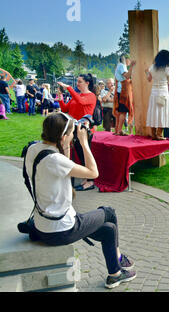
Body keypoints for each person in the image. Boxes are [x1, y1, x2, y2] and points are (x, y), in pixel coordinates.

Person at [23, 113, 136, 289]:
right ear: (62, 137)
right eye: (71, 134)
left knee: (108, 230)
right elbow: (93, 173)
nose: (73, 136)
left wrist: (68, 141)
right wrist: (84, 143)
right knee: (109, 212)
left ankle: (115, 272)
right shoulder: (55, 160)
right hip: (62, 229)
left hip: (43, 224)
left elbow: (64, 163)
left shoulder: (35, 149)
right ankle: (119, 260)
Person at [57, 74, 97, 192]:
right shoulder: (77, 95)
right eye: (77, 81)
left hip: (84, 129)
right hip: (74, 128)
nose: (77, 84)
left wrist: (69, 88)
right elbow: (65, 109)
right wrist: (60, 99)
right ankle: (86, 178)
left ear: (87, 83)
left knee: (85, 154)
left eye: (80, 82)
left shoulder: (91, 96)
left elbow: (81, 102)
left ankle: (90, 181)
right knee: (80, 154)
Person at [146, 50, 169, 140]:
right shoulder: (167, 69)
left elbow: (149, 79)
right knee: (162, 112)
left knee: (153, 111)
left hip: (154, 92)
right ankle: (159, 134)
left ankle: (153, 134)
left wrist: (147, 72)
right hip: (163, 92)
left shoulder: (152, 67)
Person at [114, 55, 136, 136]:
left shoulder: (119, 66)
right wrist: (132, 67)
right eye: (129, 60)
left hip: (120, 90)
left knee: (120, 112)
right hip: (123, 91)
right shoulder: (122, 66)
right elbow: (127, 76)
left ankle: (118, 130)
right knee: (123, 112)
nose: (130, 61)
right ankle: (119, 130)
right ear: (126, 60)